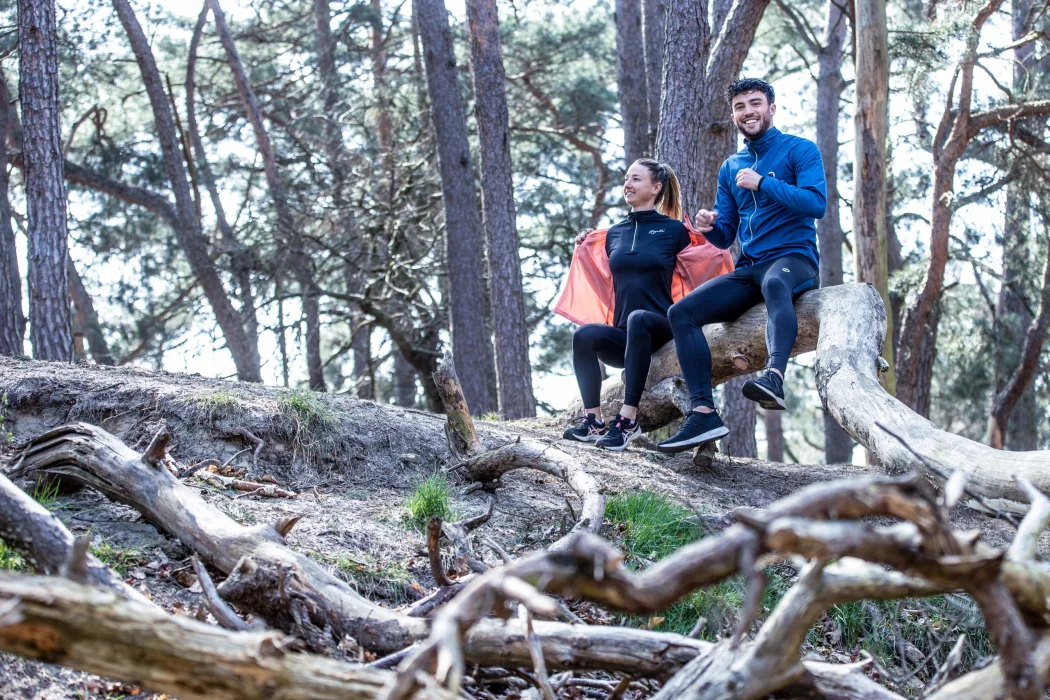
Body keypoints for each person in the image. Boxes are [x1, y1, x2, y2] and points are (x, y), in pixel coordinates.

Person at [657, 78, 826, 454]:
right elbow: (725, 235)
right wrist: (708, 226)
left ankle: (774, 378)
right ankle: (703, 413)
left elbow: (816, 204)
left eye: (755, 103)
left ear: (771, 108)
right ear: (733, 115)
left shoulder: (800, 150)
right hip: (751, 266)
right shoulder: (731, 166)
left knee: (776, 285)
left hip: (794, 259)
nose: (748, 111)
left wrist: (763, 183)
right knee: (681, 313)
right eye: (740, 107)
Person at [554, 159, 733, 451]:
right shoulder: (614, 234)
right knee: (584, 335)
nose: (628, 184)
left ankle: (627, 420)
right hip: (626, 338)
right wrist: (586, 242)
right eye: (626, 178)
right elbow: (598, 273)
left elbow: (708, 258)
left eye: (636, 179)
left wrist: (710, 231)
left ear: (656, 187)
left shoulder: (674, 230)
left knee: (639, 318)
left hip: (661, 330)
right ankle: (593, 421)